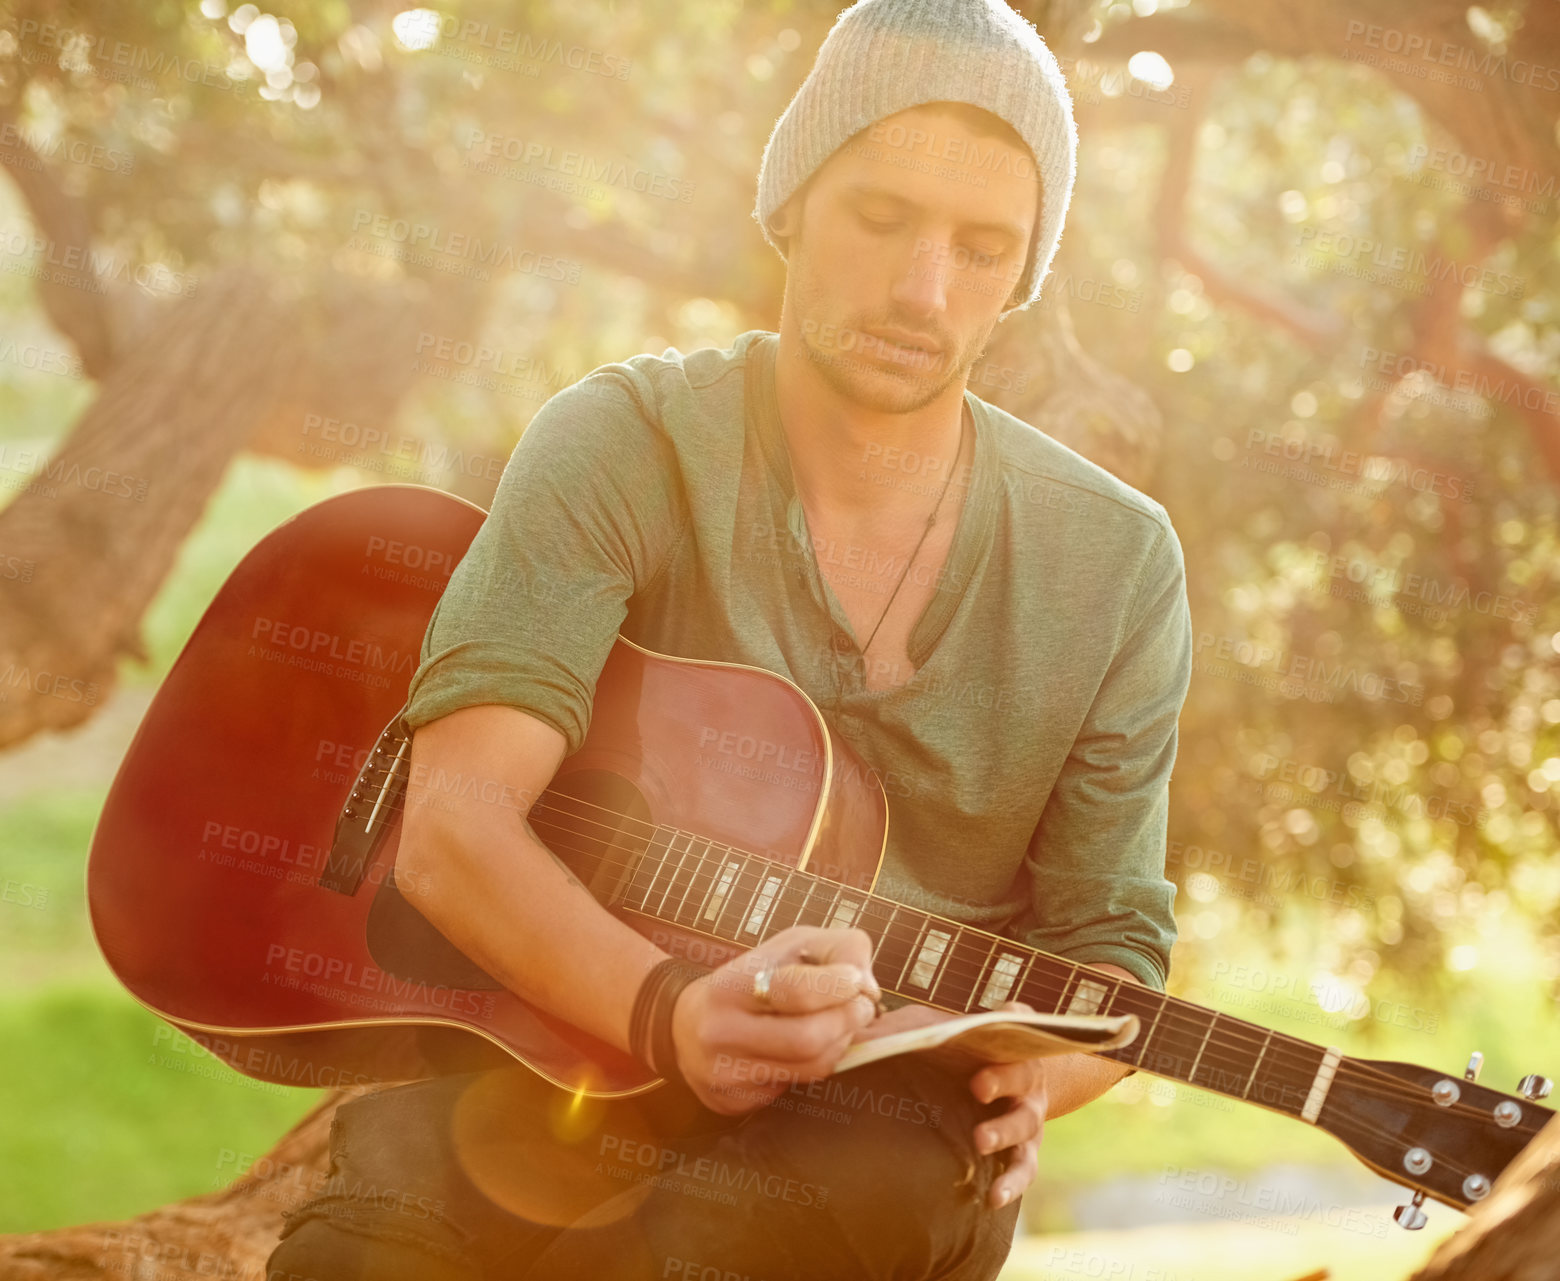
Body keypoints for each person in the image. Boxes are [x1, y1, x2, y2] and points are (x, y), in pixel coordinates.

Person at [264, 0, 1193, 1277]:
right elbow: (454, 819)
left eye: (984, 250)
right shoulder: (624, 441)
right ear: (794, 200)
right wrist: (667, 1014)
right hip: (555, 1048)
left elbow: (1110, 958)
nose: (925, 291)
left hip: (878, 1139)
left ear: (1026, 274)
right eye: (881, 219)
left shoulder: (1118, 561)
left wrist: (1039, 1077)